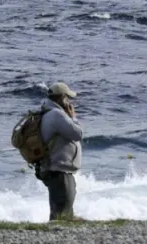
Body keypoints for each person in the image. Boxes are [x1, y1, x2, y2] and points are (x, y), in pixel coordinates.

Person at [37, 82, 84, 221]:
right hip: (60, 170)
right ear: (61, 98)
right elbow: (78, 133)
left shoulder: (47, 112)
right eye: (67, 98)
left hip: (56, 170)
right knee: (62, 213)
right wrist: (73, 116)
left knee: (61, 211)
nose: (69, 101)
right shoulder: (57, 115)